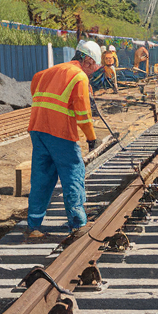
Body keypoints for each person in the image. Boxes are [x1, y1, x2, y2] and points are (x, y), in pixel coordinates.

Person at [25, 40, 102, 242]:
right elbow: (83, 114)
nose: (93, 73)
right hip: (59, 132)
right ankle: (78, 224)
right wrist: (91, 138)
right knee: (73, 175)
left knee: (42, 178)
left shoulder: (46, 73)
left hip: (37, 129)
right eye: (94, 68)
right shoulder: (79, 77)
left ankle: (33, 226)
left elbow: (37, 91)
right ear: (87, 60)